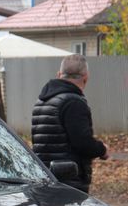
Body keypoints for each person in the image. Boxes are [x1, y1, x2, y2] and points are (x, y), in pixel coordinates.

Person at [31, 54, 109, 193]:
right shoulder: (73, 103)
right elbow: (83, 143)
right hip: (69, 181)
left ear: (59, 74)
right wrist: (102, 149)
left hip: (44, 178)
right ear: (86, 77)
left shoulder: (41, 101)